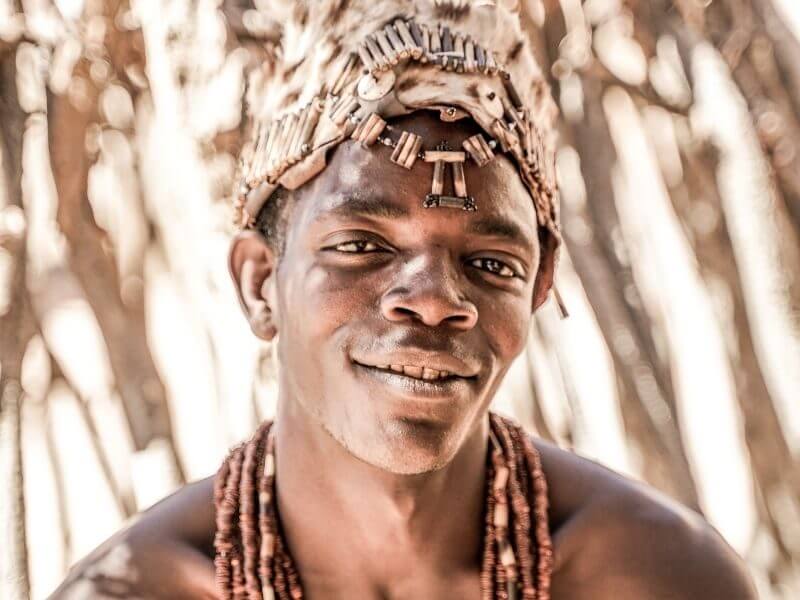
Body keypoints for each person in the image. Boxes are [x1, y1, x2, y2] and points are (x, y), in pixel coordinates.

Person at [52, 2, 757, 599]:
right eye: (362, 246)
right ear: (261, 282)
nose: (434, 301)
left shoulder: (656, 576)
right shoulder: (140, 588)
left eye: (490, 262)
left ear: (539, 290)